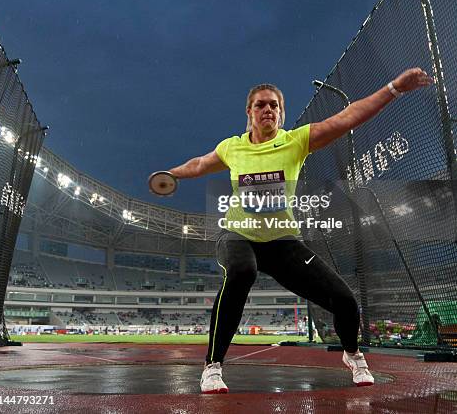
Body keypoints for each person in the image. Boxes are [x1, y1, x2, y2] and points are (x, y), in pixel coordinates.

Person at [157, 68, 432, 393]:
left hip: (282, 243)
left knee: (345, 302)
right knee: (242, 271)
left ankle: (353, 355)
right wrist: (172, 174)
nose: (268, 110)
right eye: (260, 105)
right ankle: (212, 366)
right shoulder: (233, 148)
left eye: (274, 105)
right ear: (250, 112)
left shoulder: (295, 141)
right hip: (238, 234)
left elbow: (347, 118)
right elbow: (200, 164)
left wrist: (394, 88)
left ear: (281, 112)